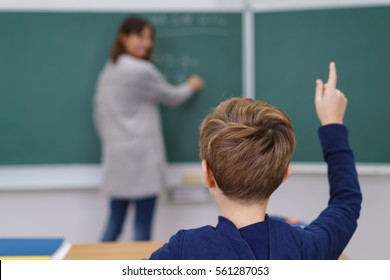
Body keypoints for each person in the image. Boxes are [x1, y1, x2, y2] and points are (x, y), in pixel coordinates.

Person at [150, 62, 362, 259]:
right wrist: (332, 123)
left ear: (207, 173)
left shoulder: (184, 250)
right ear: (283, 175)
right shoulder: (307, 247)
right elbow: (346, 203)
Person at [93, 17, 204, 241]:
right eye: (140, 37)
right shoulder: (141, 70)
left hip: (117, 158)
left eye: (149, 38)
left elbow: (99, 114)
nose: (147, 43)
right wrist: (191, 86)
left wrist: (113, 139)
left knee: (114, 224)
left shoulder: (109, 69)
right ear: (124, 38)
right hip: (141, 160)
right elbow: (172, 96)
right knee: (142, 229)